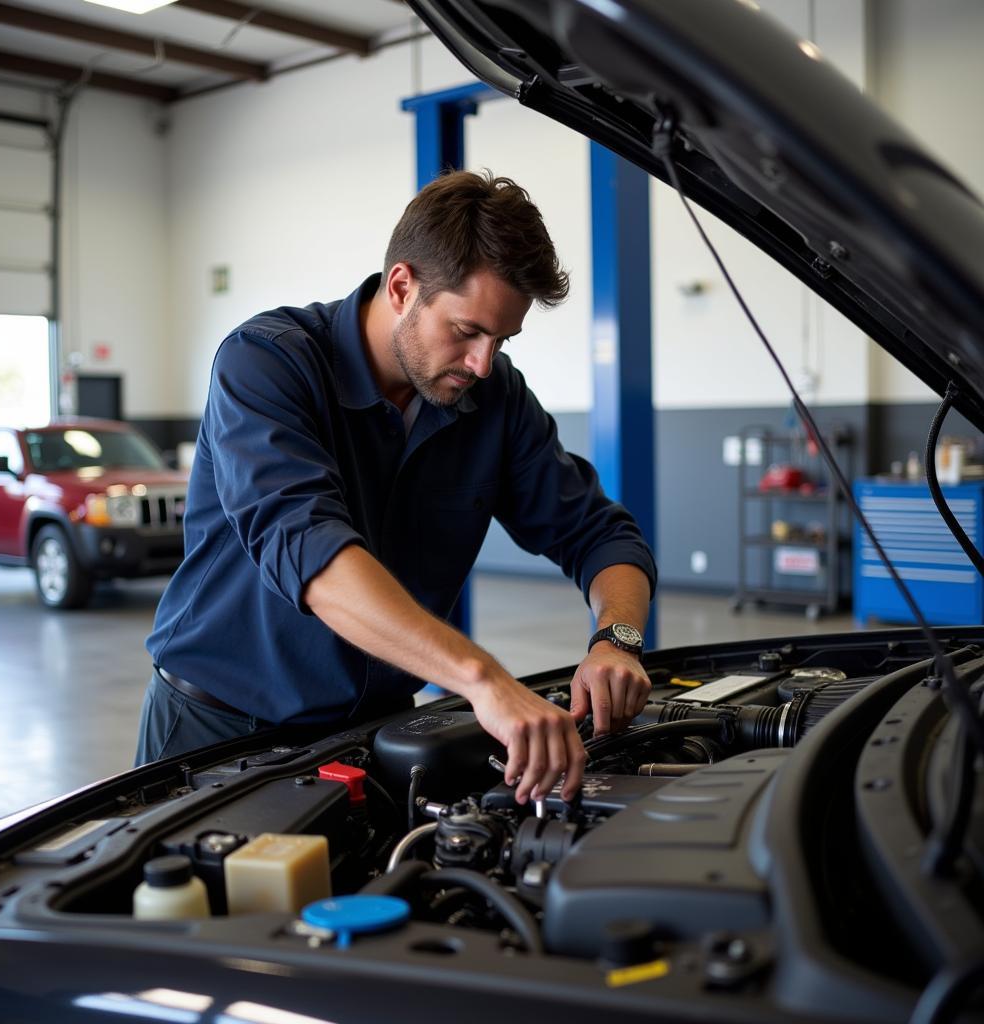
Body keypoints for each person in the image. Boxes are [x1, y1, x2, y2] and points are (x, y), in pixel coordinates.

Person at [136, 170, 657, 805]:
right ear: (402, 286)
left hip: (372, 736)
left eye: (503, 339)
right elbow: (310, 556)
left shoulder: (495, 399)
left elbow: (600, 534)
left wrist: (617, 640)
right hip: (216, 731)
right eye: (467, 331)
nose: (483, 363)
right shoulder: (267, 362)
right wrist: (482, 679)